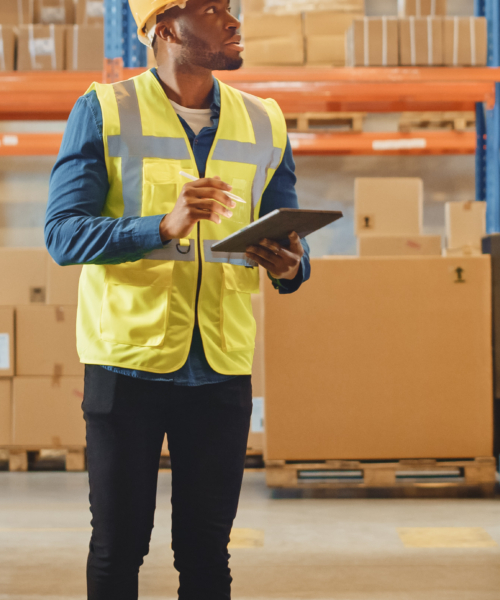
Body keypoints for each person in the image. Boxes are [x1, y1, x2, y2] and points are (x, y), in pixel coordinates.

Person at [42, 0, 309, 597]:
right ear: (166, 29)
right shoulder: (105, 110)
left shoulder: (264, 121)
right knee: (118, 548)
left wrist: (292, 266)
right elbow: (62, 235)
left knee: (207, 552)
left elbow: (284, 229)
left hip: (220, 366)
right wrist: (160, 226)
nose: (234, 21)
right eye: (214, 10)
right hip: (125, 365)